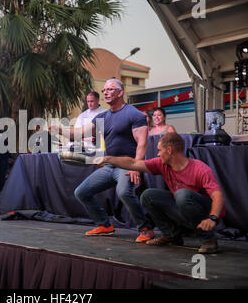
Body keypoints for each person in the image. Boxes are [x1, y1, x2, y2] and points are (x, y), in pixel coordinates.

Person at [50, 78, 154, 241]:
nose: (105, 92)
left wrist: (136, 166)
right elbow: (78, 134)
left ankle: (145, 228)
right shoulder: (102, 117)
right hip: (109, 165)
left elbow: (142, 142)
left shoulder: (133, 114)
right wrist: (59, 130)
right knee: (81, 192)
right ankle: (104, 224)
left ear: (120, 92)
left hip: (126, 165)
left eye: (110, 89)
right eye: (104, 90)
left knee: (123, 193)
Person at [94, 132, 225, 254]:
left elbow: (218, 195)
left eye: (160, 150)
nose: (158, 154)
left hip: (205, 215)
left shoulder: (200, 168)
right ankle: (171, 235)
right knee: (148, 195)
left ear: (169, 150)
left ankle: (209, 240)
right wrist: (108, 159)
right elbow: (133, 163)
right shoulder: (162, 164)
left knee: (181, 194)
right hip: (184, 210)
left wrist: (212, 218)